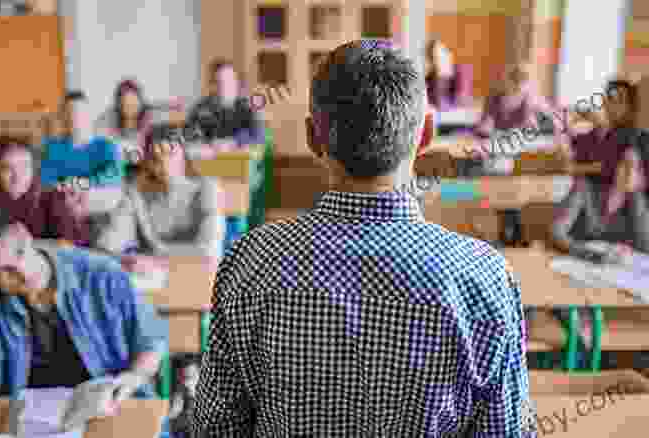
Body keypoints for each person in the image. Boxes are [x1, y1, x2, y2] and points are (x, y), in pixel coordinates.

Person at [190, 39, 533, 437]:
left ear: (312, 139)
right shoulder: (485, 278)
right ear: (425, 135)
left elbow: (216, 429)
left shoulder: (250, 260)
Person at [0, 204, 168, 425]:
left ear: (24, 233)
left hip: (110, 410)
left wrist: (133, 377)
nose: (22, 270)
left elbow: (151, 340)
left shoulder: (100, 274)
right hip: (34, 421)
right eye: (2, 271)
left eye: (19, 252)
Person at [85, 124, 225, 269]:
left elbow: (208, 251)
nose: (163, 163)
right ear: (147, 163)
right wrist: (122, 258)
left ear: (184, 155)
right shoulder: (136, 195)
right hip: (151, 281)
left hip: (198, 277)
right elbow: (108, 243)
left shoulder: (208, 190)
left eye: (169, 152)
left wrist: (156, 253)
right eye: (155, 158)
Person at [0, 136, 91, 245]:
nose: (17, 176)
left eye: (24, 166)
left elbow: (71, 249)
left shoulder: (52, 199)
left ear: (33, 168)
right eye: (7, 168)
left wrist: (77, 219)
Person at [464, 63, 555, 176]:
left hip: (516, 141)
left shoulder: (530, 97)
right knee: (497, 158)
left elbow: (548, 118)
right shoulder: (497, 96)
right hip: (505, 141)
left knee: (499, 157)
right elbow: (485, 126)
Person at [39, 90, 124, 189]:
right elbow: (47, 182)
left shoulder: (106, 147)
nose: (75, 118)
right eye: (69, 113)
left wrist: (74, 184)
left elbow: (115, 178)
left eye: (80, 113)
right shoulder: (53, 148)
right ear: (63, 117)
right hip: (65, 201)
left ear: (90, 116)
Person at [186, 59, 266, 147]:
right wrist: (209, 143)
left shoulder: (249, 107)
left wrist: (234, 142)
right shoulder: (201, 108)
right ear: (212, 85)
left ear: (237, 82)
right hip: (210, 157)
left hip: (241, 157)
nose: (226, 86)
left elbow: (260, 139)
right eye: (220, 82)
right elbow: (189, 136)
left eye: (230, 81)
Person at [423, 39, 473, 111]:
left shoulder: (462, 71)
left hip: (458, 115)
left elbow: (461, 99)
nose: (440, 59)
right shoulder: (431, 78)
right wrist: (440, 77)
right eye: (435, 57)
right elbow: (435, 102)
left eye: (443, 52)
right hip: (440, 116)